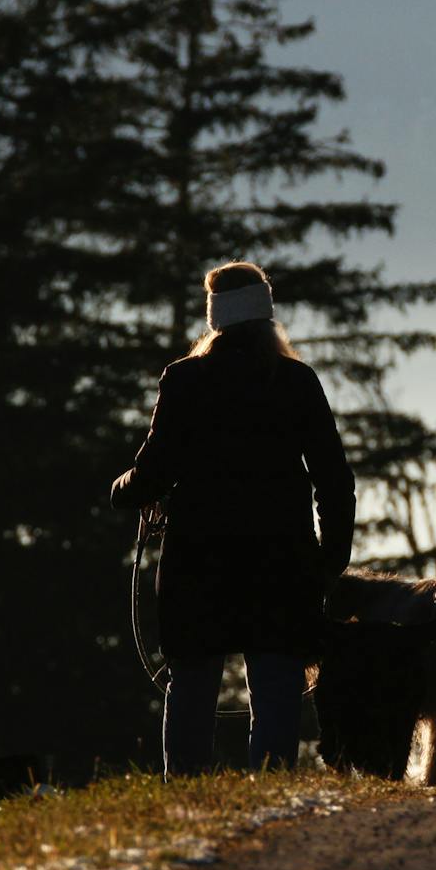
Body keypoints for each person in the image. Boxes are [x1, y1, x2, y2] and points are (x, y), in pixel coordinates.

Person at [110, 261, 356, 776]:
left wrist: (122, 490)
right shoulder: (296, 381)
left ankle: (187, 798)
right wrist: (329, 562)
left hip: (200, 561)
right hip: (281, 560)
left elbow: (152, 473)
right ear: (266, 315)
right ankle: (269, 797)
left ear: (214, 317)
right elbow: (334, 480)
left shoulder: (184, 381)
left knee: (193, 683)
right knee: (276, 684)